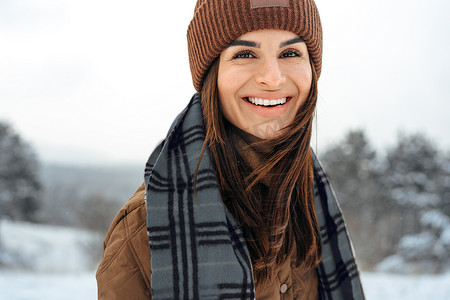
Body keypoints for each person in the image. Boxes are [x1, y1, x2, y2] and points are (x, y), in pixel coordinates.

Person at [96, 0, 365, 299]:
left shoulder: (309, 199)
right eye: (245, 54)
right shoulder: (145, 227)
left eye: (290, 53)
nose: (273, 77)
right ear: (212, 74)